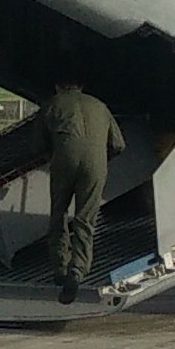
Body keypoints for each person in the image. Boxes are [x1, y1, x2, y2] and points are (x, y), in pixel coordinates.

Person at [45, 79, 125, 304]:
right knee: (85, 219)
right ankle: (77, 271)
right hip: (96, 166)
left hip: (64, 162)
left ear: (58, 85)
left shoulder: (53, 103)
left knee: (58, 214)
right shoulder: (100, 106)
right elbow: (119, 144)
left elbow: (36, 145)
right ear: (81, 86)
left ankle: (60, 269)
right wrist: (100, 158)